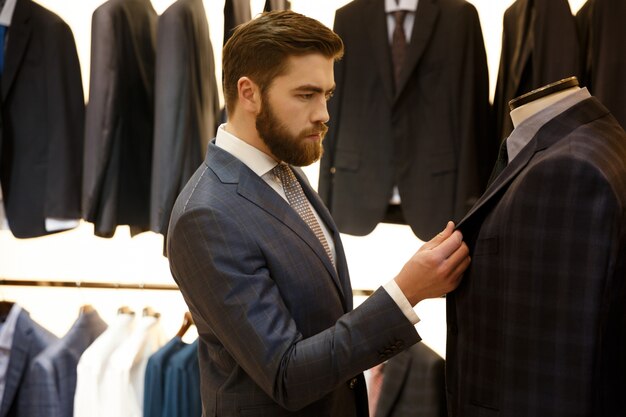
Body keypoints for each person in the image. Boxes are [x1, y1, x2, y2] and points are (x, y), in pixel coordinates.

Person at [167, 10, 470, 417]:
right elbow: (286, 375)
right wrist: (405, 292)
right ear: (249, 92)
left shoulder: (285, 172)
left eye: (326, 95)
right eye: (305, 95)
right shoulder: (205, 216)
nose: (324, 114)